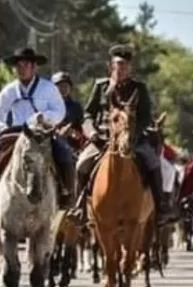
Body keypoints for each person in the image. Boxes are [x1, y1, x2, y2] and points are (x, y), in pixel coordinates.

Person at [73, 44, 180, 228]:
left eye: (125, 66)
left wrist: (132, 134)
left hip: (132, 138)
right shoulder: (101, 86)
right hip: (103, 137)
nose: (121, 69)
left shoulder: (139, 88)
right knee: (82, 163)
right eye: (118, 65)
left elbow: (146, 117)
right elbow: (89, 114)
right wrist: (91, 132)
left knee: (154, 162)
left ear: (130, 68)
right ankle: (80, 207)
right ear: (111, 67)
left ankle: (161, 206)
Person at [0, 48, 73, 212]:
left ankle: (67, 194)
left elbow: (60, 111)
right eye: (19, 66)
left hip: (41, 133)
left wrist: (44, 118)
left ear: (34, 67)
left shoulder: (48, 88)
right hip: (15, 133)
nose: (22, 69)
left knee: (65, 153)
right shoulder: (10, 90)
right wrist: (2, 128)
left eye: (26, 65)